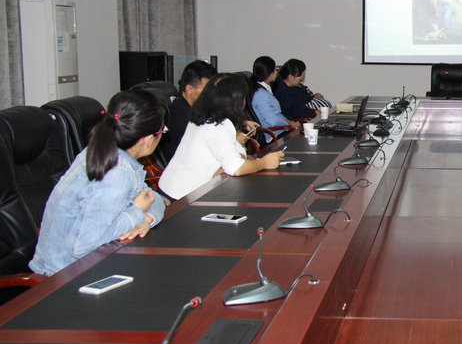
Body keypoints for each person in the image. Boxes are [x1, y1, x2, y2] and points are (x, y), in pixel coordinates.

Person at [29, 90, 167, 276]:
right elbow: (82, 247)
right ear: (149, 140)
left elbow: (155, 200)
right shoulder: (116, 173)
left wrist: (147, 219)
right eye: (162, 131)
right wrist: (136, 213)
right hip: (63, 277)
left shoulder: (108, 153)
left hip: (94, 262)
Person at [159, 73, 285, 200]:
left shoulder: (203, 117)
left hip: (173, 188)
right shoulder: (218, 125)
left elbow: (237, 159)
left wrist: (232, 160)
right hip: (183, 198)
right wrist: (264, 162)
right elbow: (236, 168)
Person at [158, 59, 218, 162]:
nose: (211, 94)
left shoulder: (196, 107)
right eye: (207, 89)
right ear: (190, 89)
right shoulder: (180, 115)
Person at [248, 56, 301, 141]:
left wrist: (289, 122)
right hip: (272, 134)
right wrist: (289, 124)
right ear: (270, 73)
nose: (277, 72)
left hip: (280, 129)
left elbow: (276, 114)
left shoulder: (265, 89)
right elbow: (272, 121)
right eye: (276, 69)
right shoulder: (260, 95)